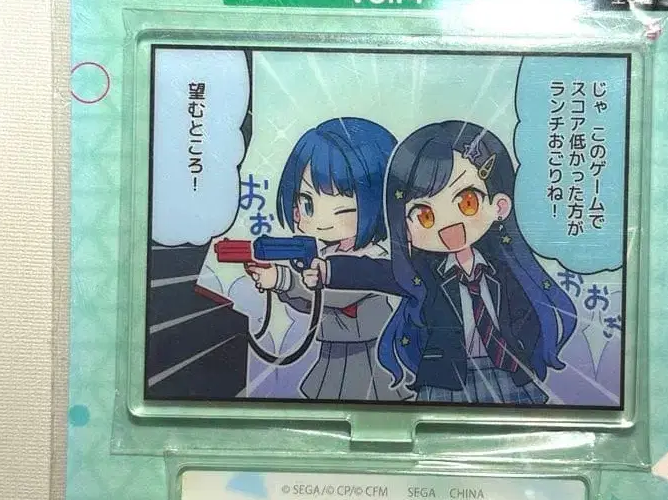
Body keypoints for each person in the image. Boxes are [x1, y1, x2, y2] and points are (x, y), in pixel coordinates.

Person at [303, 121, 577, 405]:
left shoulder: (505, 268)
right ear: (405, 227)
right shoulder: (423, 274)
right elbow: (377, 273)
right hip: (446, 378)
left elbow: (526, 314)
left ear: (499, 206)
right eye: (424, 216)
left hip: (508, 373)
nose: (448, 227)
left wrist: (526, 348)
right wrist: (329, 270)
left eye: (467, 202)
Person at [247, 117, 408, 401]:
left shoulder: (375, 259)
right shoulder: (327, 254)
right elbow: (313, 304)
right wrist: (279, 286)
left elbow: (338, 294)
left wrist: (284, 280)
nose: (306, 215)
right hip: (332, 353)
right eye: (305, 201)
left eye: (336, 203)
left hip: (368, 357)